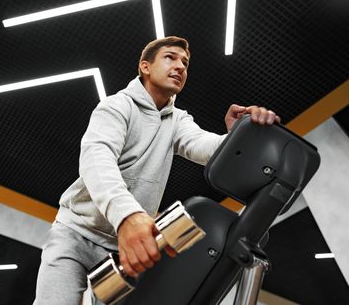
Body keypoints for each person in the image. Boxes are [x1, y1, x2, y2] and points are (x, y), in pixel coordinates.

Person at [33, 36, 280, 305]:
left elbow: (204, 146)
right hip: (76, 234)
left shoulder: (177, 120)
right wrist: (128, 216)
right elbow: (96, 158)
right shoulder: (117, 106)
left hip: (124, 250)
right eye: (170, 57)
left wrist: (238, 136)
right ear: (145, 67)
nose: (180, 66)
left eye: (185, 63)